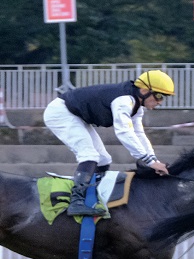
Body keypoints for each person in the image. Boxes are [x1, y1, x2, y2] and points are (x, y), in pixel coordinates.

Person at [43, 70, 172, 216]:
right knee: (90, 155)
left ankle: (92, 195)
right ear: (144, 90)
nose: (160, 102)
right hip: (61, 113)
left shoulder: (136, 108)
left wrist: (154, 160)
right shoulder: (124, 101)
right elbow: (124, 132)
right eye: (159, 96)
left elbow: (139, 134)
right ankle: (76, 202)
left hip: (76, 115)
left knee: (104, 159)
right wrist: (149, 161)